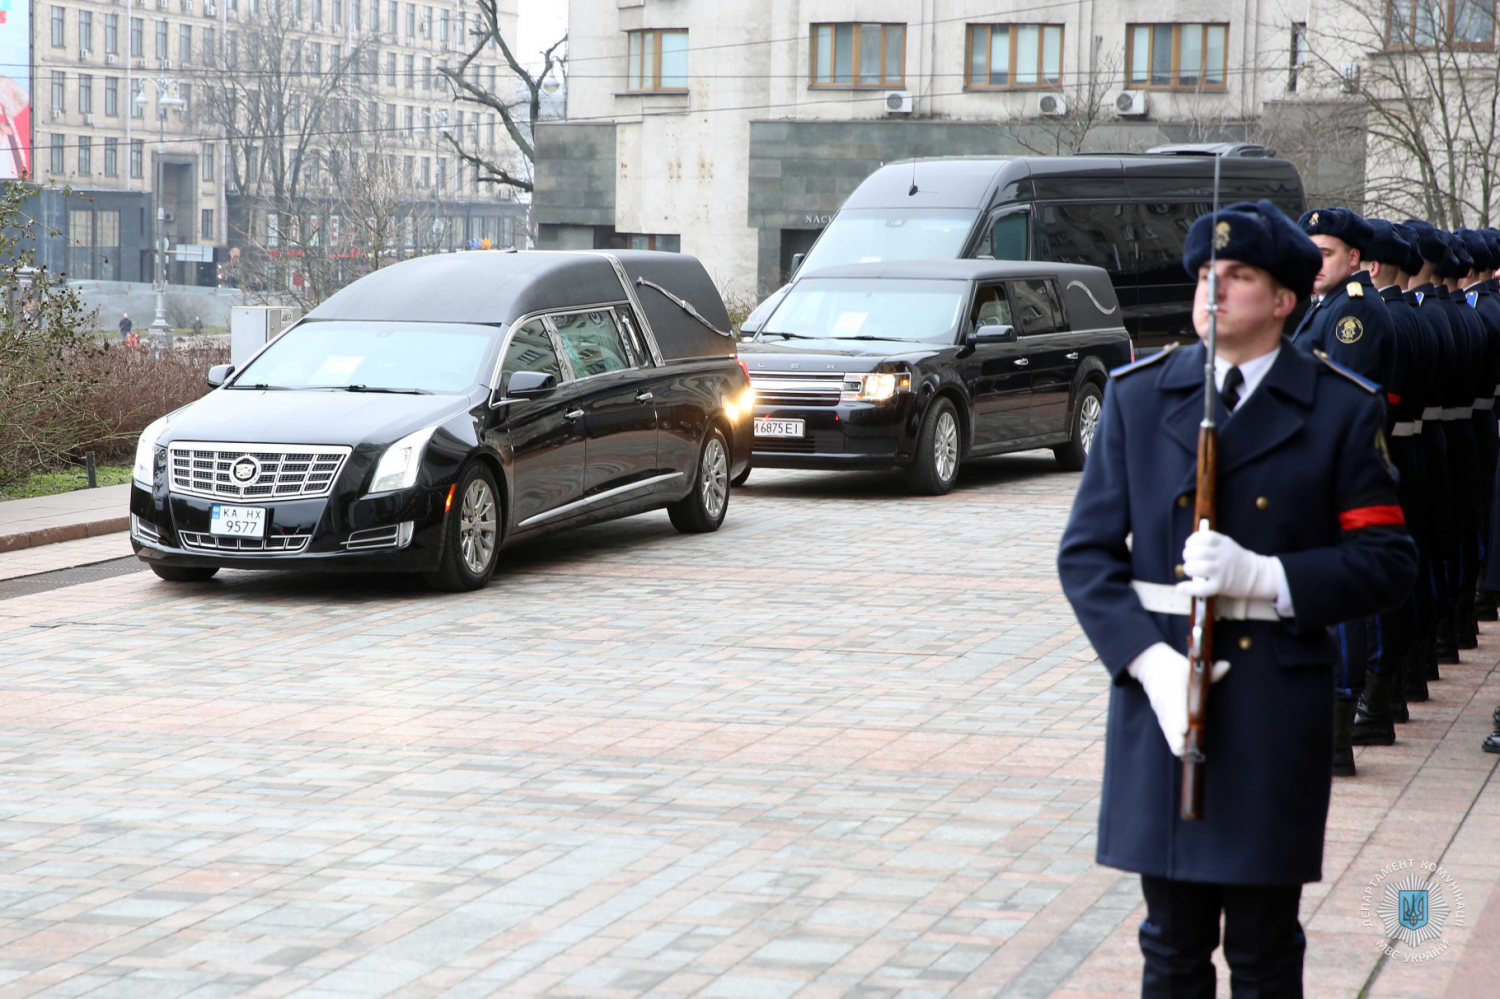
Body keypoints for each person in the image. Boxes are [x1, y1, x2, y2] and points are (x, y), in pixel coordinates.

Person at [1058, 200, 1416, 997]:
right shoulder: (1140, 397)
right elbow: (1085, 555)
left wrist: (1267, 576)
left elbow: (1387, 561)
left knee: (1263, 948)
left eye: (1238, 276)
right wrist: (1147, 664)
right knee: (1170, 944)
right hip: (1165, 701)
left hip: (1270, 707)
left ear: (1286, 298)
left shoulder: (1337, 406)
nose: (1212, 292)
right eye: (1204, 276)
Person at [1292, 206, 1400, 774]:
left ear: (1355, 257)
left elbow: (1341, 400)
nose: (1315, 263)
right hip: (1321, 470)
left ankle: (1337, 733)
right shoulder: (1329, 305)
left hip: (1338, 473)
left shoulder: (1351, 312)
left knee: (1340, 603)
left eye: (1326, 253)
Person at [1349, 220, 1429, 744]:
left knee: (1377, 585)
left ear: (1370, 265)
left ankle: (1379, 694)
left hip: (1385, 452)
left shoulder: (1378, 318)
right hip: (1420, 446)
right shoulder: (1415, 315)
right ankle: (1398, 682)